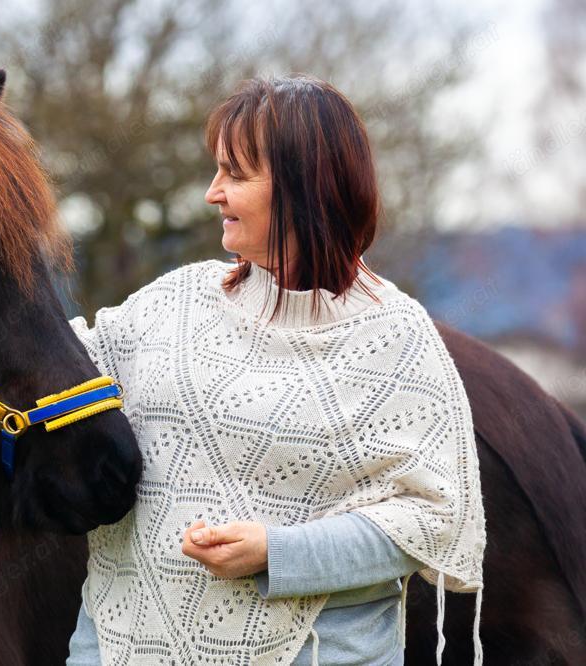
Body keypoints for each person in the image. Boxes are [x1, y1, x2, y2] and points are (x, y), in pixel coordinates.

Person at [65, 74, 485, 666]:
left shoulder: (394, 338)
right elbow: (53, 372)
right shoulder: (174, 302)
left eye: (235, 174)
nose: (213, 193)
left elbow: (435, 519)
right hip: (115, 646)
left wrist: (280, 552)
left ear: (304, 188)